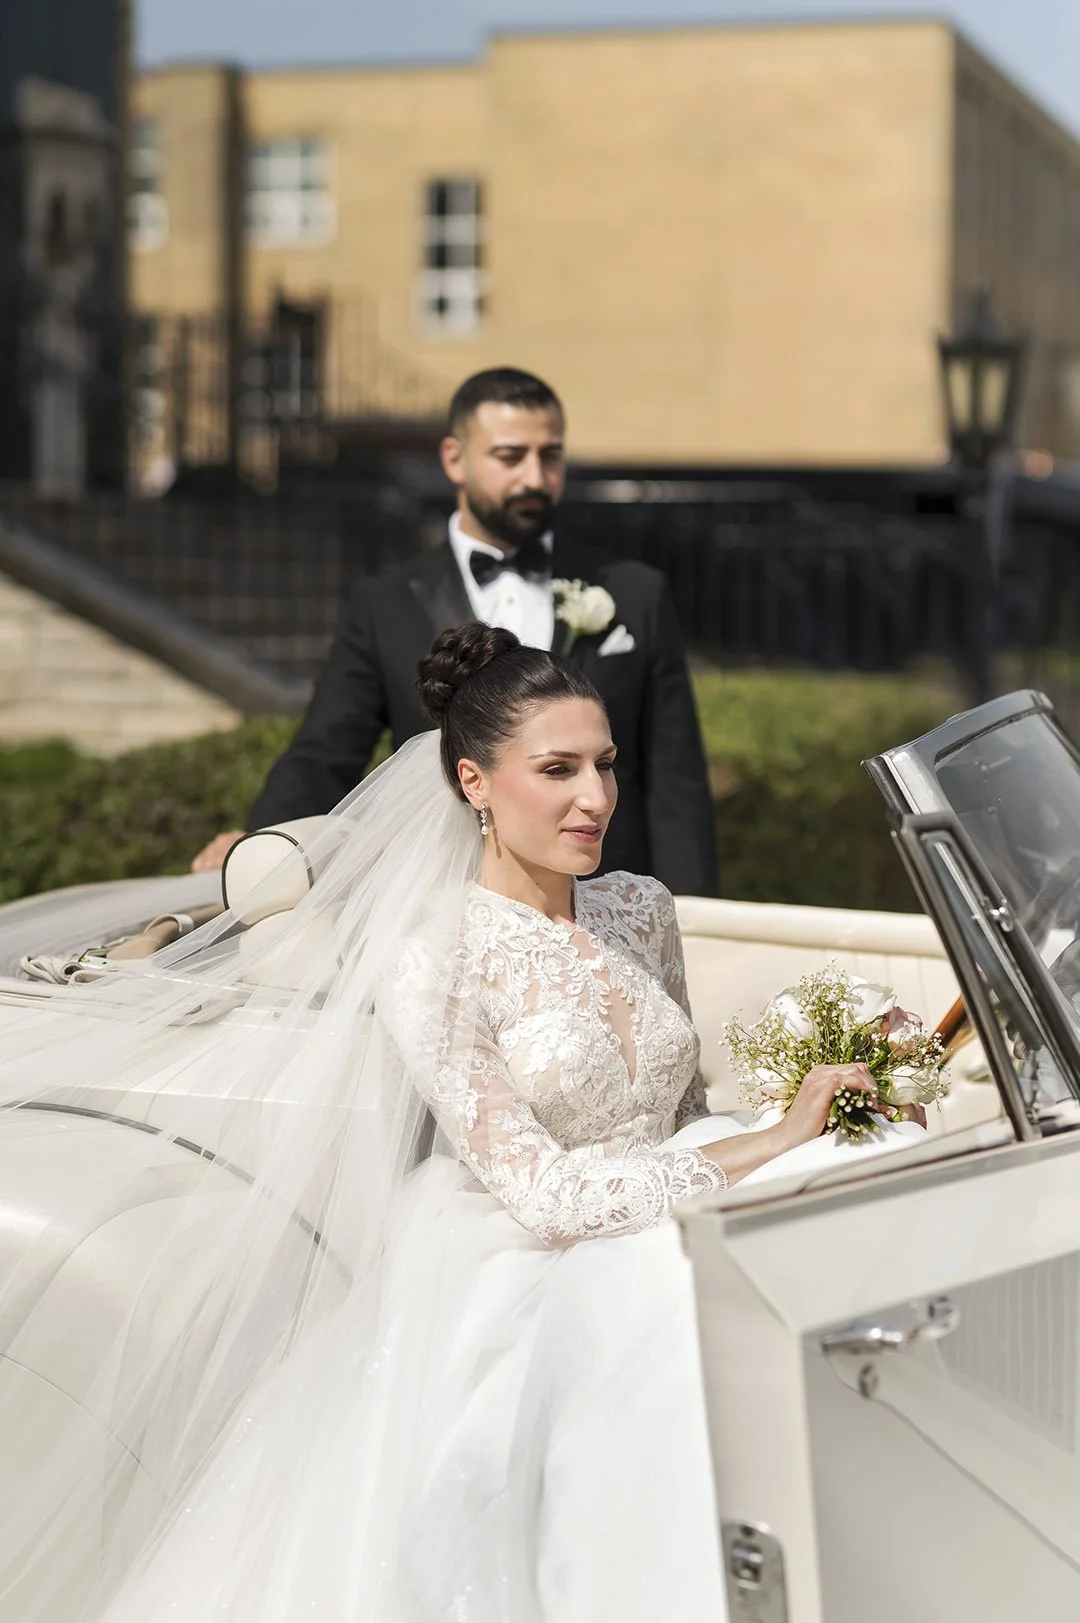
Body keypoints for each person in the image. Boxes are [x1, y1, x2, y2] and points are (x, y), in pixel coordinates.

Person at [0, 626, 926, 1622]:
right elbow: (544, 1196)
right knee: (665, 1330)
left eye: (606, 764)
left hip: (664, 1204)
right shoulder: (430, 954)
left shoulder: (642, 907)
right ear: (474, 782)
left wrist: (823, 1107)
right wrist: (775, 1137)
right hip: (528, 1256)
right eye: (558, 770)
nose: (596, 798)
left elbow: (684, 1117)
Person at [192, 366, 719, 897]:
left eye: (550, 456)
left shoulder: (634, 592)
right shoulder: (384, 604)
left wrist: (689, 914)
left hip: (604, 898)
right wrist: (262, 843)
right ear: (453, 459)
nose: (535, 478)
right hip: (439, 898)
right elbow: (325, 752)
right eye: (510, 457)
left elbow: (676, 780)